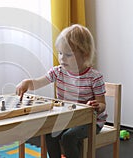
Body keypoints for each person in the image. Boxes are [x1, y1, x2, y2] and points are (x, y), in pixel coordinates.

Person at [16, 24, 107, 158]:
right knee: (50, 132)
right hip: (67, 118)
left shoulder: (94, 77)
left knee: (68, 137)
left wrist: (97, 106)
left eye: (68, 54)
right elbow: (37, 83)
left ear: (85, 54)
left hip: (89, 121)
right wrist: (26, 83)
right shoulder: (58, 72)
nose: (62, 58)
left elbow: (102, 104)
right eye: (60, 53)